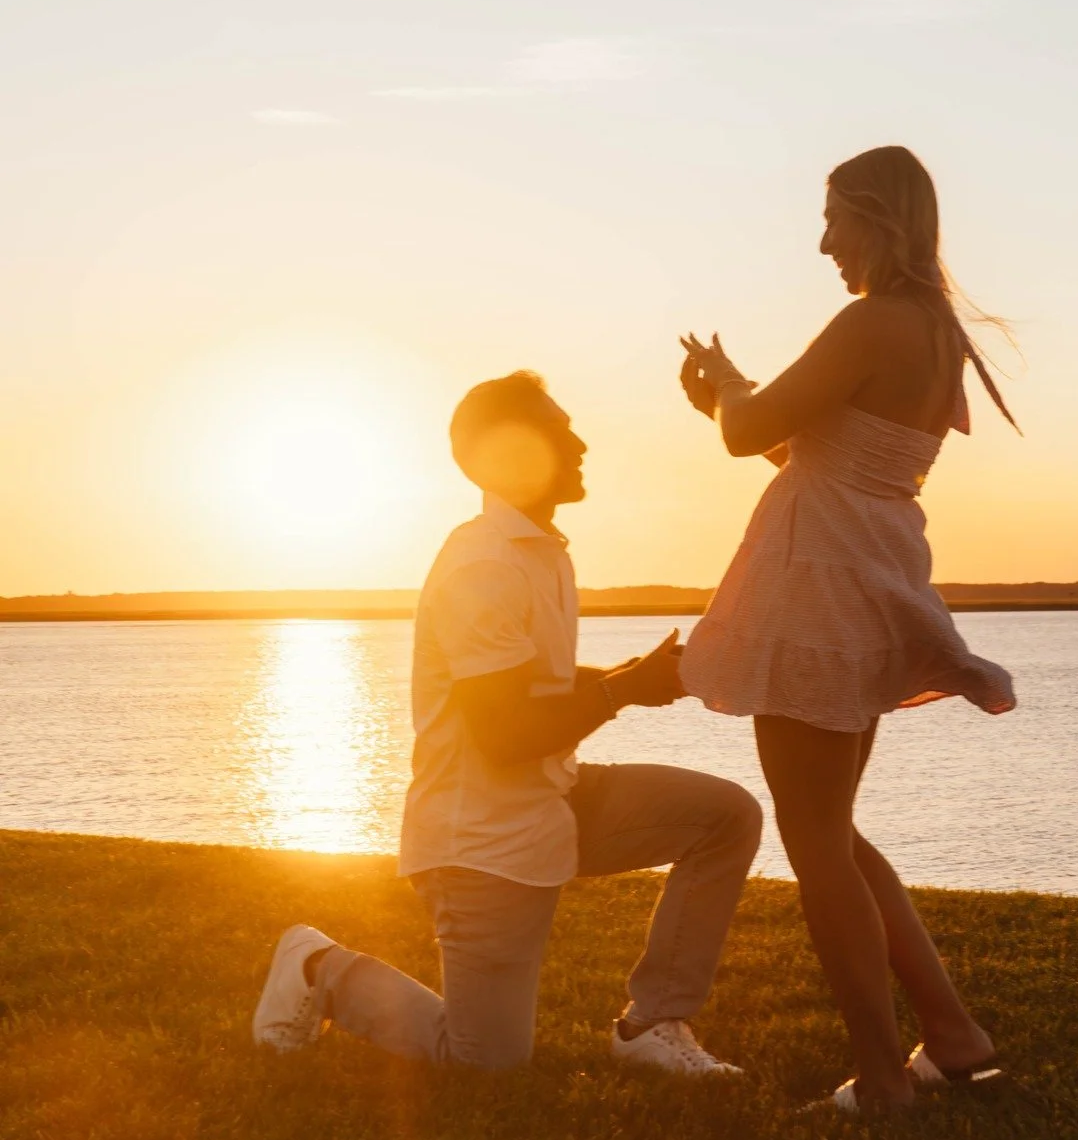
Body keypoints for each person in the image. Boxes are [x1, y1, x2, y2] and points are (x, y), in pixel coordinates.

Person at [252, 370, 762, 1074]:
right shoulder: (482, 566)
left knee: (724, 817)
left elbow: (533, 685)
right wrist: (621, 692)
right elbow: (505, 733)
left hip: (553, 796)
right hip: (479, 843)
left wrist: (640, 679)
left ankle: (651, 1024)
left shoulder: (538, 549)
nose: (579, 442)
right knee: (484, 1063)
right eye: (557, 429)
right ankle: (318, 968)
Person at [678, 145, 1016, 1113]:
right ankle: (951, 1035)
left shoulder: (871, 320)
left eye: (834, 217)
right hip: (866, 575)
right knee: (833, 827)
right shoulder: (936, 332)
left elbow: (751, 433)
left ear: (877, 219)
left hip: (818, 591)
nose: (822, 240)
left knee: (816, 839)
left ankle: (879, 1076)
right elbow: (818, 450)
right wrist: (734, 393)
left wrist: (722, 389)